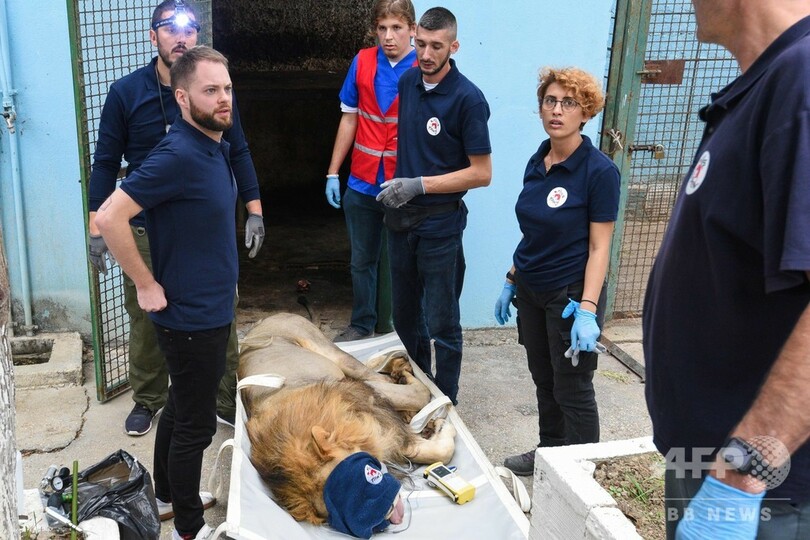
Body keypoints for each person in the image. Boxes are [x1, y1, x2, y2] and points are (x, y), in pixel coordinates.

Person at [643, 2, 810, 538]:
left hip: (763, 488)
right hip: (710, 463)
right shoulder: (762, 85)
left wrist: (746, 468)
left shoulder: (801, 80)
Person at [87, 0, 263, 437]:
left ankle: (224, 399)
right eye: (170, 29)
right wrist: (97, 226)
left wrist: (254, 210)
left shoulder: (213, 92)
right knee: (148, 315)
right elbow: (105, 162)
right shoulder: (127, 93)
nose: (181, 38)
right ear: (154, 38)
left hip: (202, 224)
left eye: (189, 30)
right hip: (144, 225)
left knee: (219, 313)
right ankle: (149, 399)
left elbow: (238, 148)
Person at [96, 45, 238, 540]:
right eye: (210, 90)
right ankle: (190, 529)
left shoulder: (210, 143)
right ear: (182, 96)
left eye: (227, 89)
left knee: (181, 407)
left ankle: (165, 498)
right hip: (191, 318)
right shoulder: (177, 154)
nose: (224, 99)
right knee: (196, 427)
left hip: (209, 308)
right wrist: (145, 283)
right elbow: (110, 217)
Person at [494, 67, 619, 476]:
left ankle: (582, 470)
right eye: (550, 101)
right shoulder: (538, 160)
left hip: (569, 296)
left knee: (574, 387)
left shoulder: (599, 172)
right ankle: (550, 452)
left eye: (569, 103)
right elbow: (534, 230)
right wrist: (512, 278)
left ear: (586, 113)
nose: (557, 110)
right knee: (544, 380)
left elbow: (600, 247)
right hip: (531, 289)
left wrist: (588, 307)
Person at [376, 7, 491, 404]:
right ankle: (419, 393)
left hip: (441, 225)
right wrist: (398, 187)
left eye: (436, 46)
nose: (425, 54)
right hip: (401, 222)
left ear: (453, 46)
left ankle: (448, 399)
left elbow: (481, 173)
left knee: (442, 322)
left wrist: (419, 185)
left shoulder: (468, 99)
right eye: (421, 43)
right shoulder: (409, 82)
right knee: (405, 319)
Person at [324, 0, 416, 342]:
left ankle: (389, 329)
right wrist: (333, 172)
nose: (388, 37)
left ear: (412, 29)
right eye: (382, 28)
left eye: (396, 28)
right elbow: (350, 117)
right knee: (362, 259)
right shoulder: (362, 61)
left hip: (401, 184)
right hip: (362, 181)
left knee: (396, 262)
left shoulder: (425, 66)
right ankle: (362, 323)